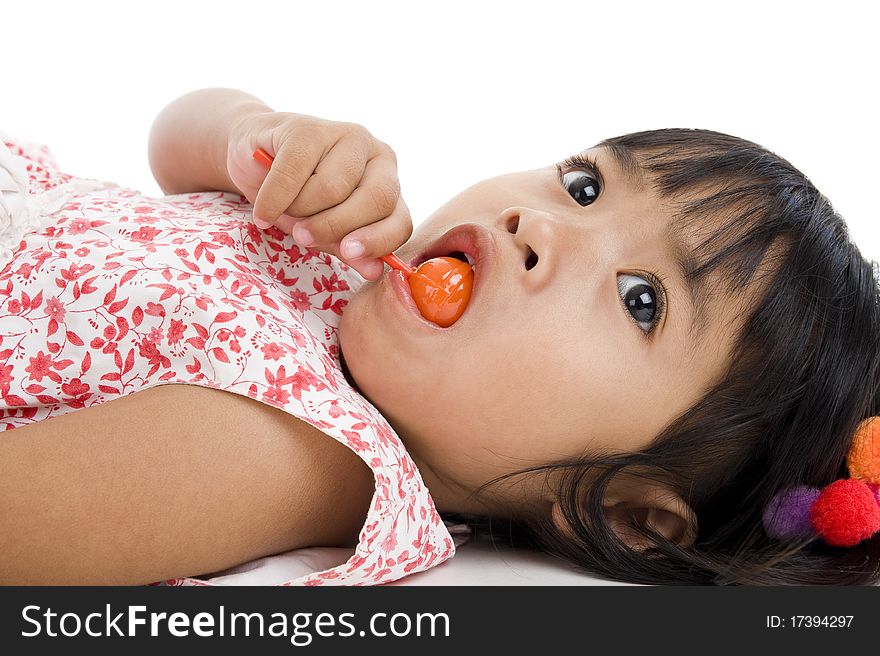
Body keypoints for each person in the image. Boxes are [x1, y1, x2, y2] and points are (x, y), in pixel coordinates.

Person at [1, 88, 878, 586]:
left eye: (642, 299)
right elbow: (168, 152)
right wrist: (254, 139)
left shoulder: (306, 452)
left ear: (625, 512)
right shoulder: (355, 251)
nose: (542, 226)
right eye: (583, 186)